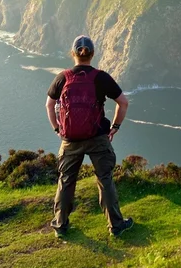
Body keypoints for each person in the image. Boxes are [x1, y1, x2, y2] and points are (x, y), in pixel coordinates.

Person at [46, 35, 134, 238]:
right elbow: (124, 103)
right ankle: (116, 225)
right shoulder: (100, 77)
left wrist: (57, 129)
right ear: (92, 54)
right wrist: (115, 127)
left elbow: (49, 105)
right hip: (97, 137)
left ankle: (60, 225)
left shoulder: (63, 77)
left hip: (70, 140)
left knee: (66, 181)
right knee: (105, 179)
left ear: (73, 53)